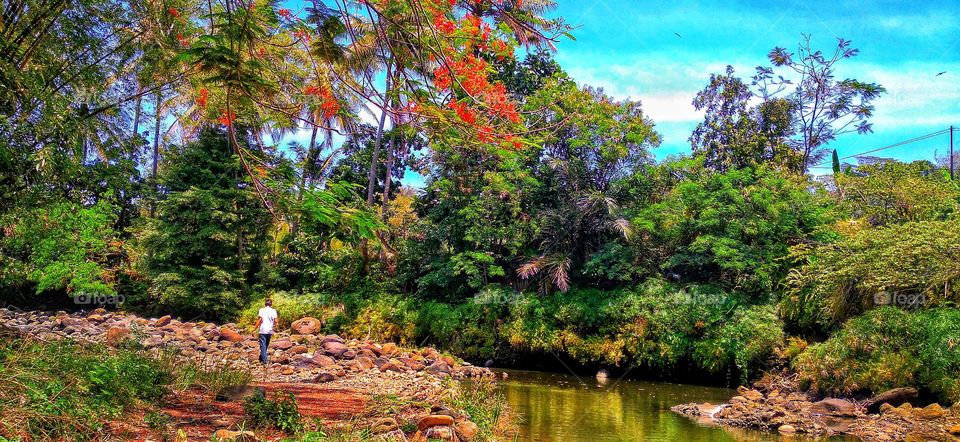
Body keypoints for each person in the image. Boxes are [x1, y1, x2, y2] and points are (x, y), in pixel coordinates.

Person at [254, 299, 278, 365]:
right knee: (266, 345)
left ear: (265, 304)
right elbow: (276, 321)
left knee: (263, 346)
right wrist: (276, 328)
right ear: (271, 304)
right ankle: (261, 358)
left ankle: (265, 361)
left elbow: (260, 320)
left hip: (263, 330)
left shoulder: (261, 310)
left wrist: (254, 329)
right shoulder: (273, 311)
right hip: (269, 330)